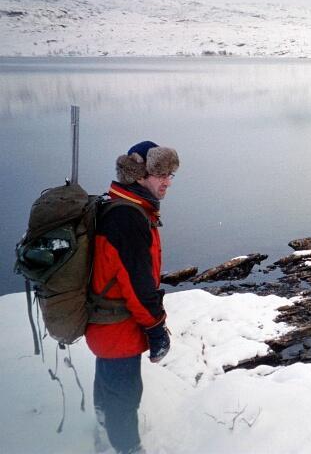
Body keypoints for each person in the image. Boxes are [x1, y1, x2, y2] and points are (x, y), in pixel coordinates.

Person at [85, 140, 179, 454]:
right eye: (160, 173)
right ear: (139, 174)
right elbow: (139, 287)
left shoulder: (120, 206)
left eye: (170, 174)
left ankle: (103, 427)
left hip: (105, 322)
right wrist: (156, 328)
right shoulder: (129, 218)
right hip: (117, 324)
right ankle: (126, 447)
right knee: (125, 395)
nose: (166, 181)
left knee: (110, 384)